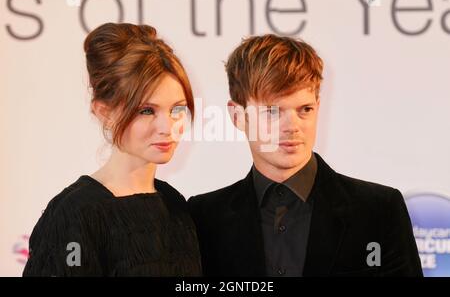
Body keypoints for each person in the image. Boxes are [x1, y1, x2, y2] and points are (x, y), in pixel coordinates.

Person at [188, 34, 422, 277]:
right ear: (237, 116)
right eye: (272, 111)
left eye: (305, 109)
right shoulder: (204, 218)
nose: (292, 126)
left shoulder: (378, 211)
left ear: (318, 108)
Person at [23, 23, 202, 276]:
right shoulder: (76, 214)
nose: (167, 127)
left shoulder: (174, 204)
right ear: (104, 112)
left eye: (177, 109)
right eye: (146, 110)